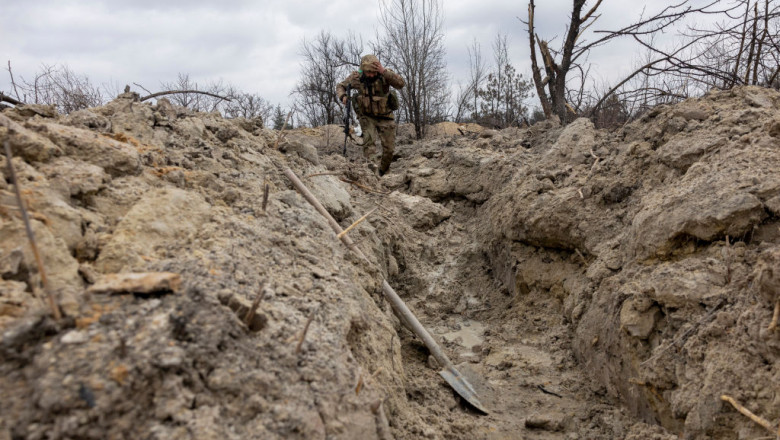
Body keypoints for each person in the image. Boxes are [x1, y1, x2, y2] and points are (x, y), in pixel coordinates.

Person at [336, 54, 405, 175]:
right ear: (363, 69)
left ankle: (383, 171)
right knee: (369, 145)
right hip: (367, 117)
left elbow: (400, 84)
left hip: (386, 116)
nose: (371, 75)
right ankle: (373, 173)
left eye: (374, 72)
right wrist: (343, 96)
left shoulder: (385, 75)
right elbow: (340, 86)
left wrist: (384, 72)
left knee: (389, 149)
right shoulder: (356, 78)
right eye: (368, 72)